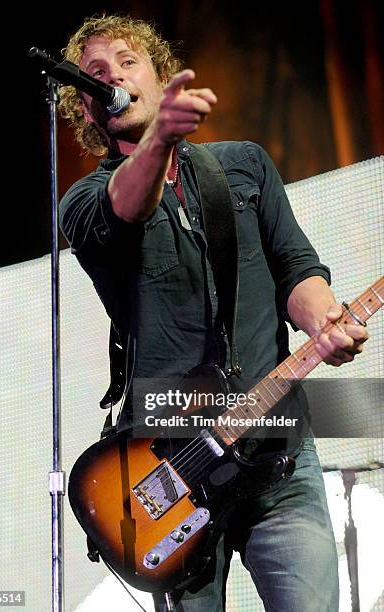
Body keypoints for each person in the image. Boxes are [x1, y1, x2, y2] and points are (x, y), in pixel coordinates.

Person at [58, 13, 369, 612]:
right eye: (96, 74)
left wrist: (323, 317)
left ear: (159, 74)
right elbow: (128, 205)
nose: (113, 77)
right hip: (170, 463)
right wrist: (159, 141)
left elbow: (295, 269)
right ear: (88, 108)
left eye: (127, 62)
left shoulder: (244, 165)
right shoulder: (86, 202)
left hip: (278, 453)